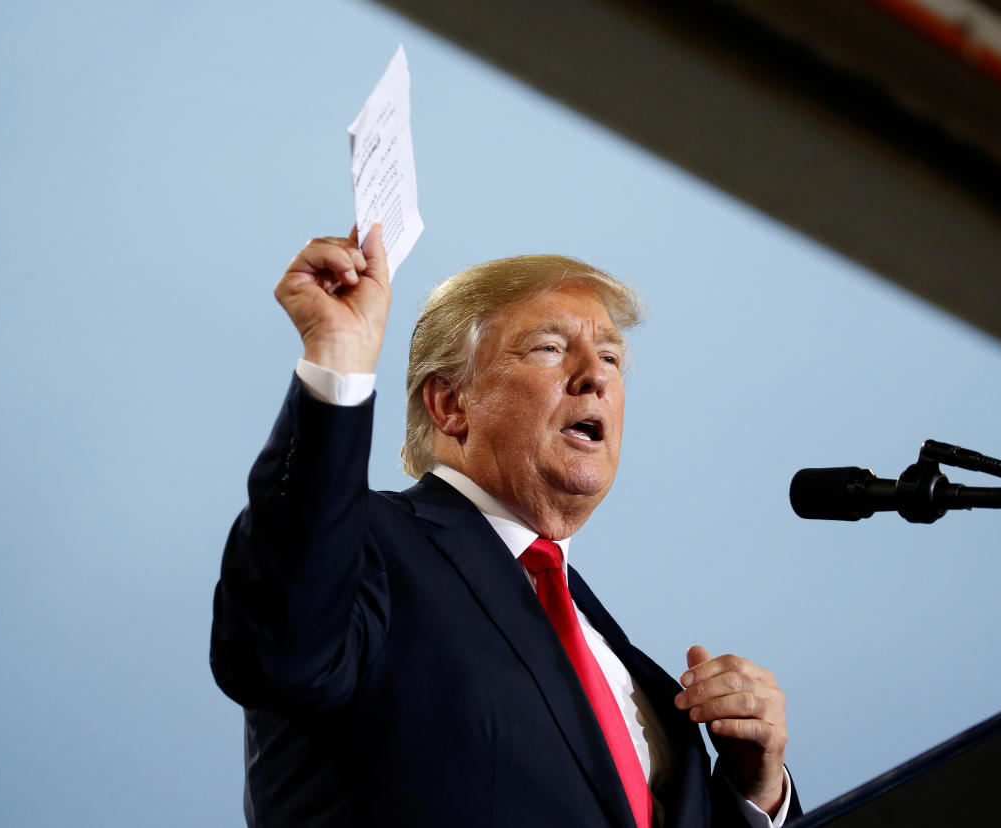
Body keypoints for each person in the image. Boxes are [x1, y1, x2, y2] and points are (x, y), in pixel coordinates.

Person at [210, 225, 800, 827]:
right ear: (450, 404)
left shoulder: (635, 675)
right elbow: (279, 648)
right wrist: (337, 362)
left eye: (612, 357)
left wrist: (756, 791)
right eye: (549, 347)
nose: (595, 375)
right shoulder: (372, 546)